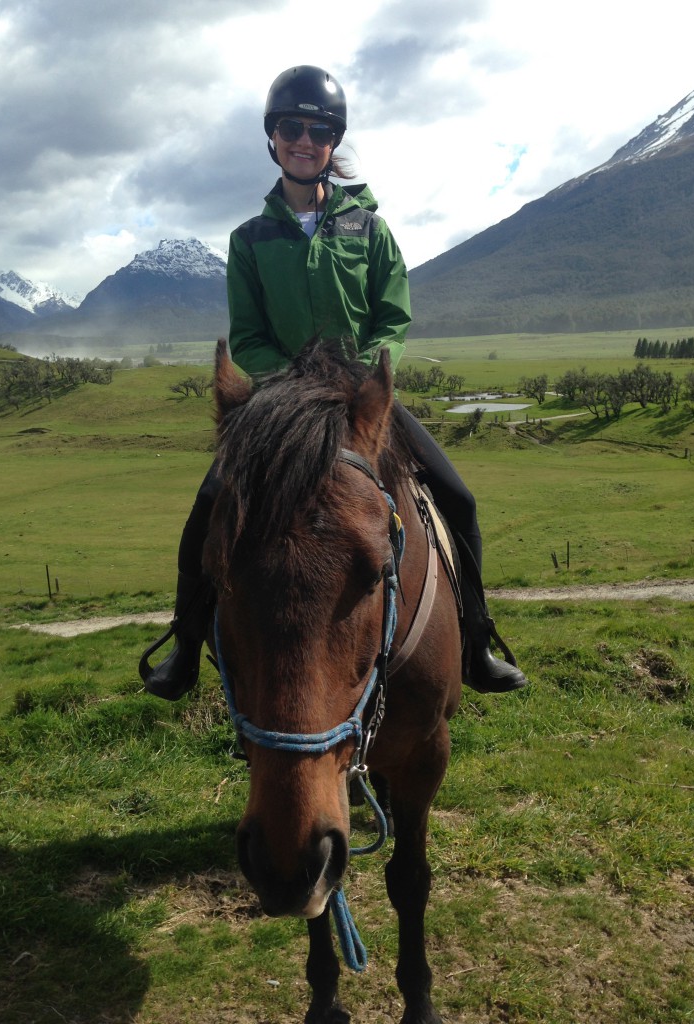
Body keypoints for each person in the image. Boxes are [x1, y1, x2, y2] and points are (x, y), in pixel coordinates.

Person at [140, 65, 527, 700]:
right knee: (207, 511)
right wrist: (290, 384)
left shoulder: (370, 229)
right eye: (291, 127)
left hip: (360, 399)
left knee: (458, 499)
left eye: (318, 130)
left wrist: (363, 375)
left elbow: (393, 315)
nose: (304, 138)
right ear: (272, 137)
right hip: (284, 406)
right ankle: (183, 646)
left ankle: (477, 639)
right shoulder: (249, 240)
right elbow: (250, 336)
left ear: (332, 142)